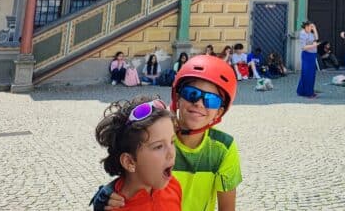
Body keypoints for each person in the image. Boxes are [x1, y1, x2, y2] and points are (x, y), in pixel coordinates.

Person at [104, 55, 242, 211]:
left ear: (219, 113)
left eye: (211, 100)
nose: (198, 103)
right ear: (177, 97)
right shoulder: (157, 135)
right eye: (192, 94)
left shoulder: (223, 148)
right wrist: (110, 191)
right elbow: (130, 166)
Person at [90, 96, 180, 210]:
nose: (171, 152)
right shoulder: (113, 207)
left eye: (172, 141)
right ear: (129, 162)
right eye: (158, 146)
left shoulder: (173, 186)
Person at [296, 21, 319, 98]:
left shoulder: (310, 33)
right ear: (305, 27)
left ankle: (302, 91)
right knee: (307, 74)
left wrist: (315, 29)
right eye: (309, 27)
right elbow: (303, 47)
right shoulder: (303, 34)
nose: (310, 28)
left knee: (311, 74)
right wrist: (313, 46)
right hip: (307, 55)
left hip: (312, 55)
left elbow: (316, 38)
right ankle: (308, 93)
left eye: (311, 27)